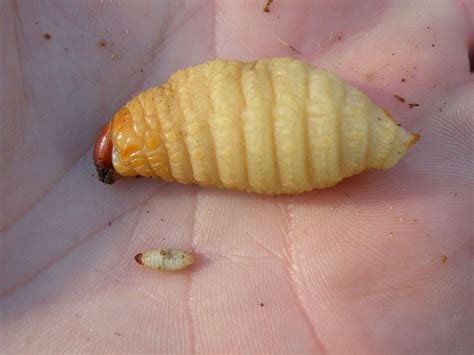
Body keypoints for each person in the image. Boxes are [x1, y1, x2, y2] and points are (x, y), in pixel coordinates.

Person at [1, 0, 472, 353]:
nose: (106, 159)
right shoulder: (157, 129)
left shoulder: (157, 127)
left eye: (111, 157)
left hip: (328, 126)